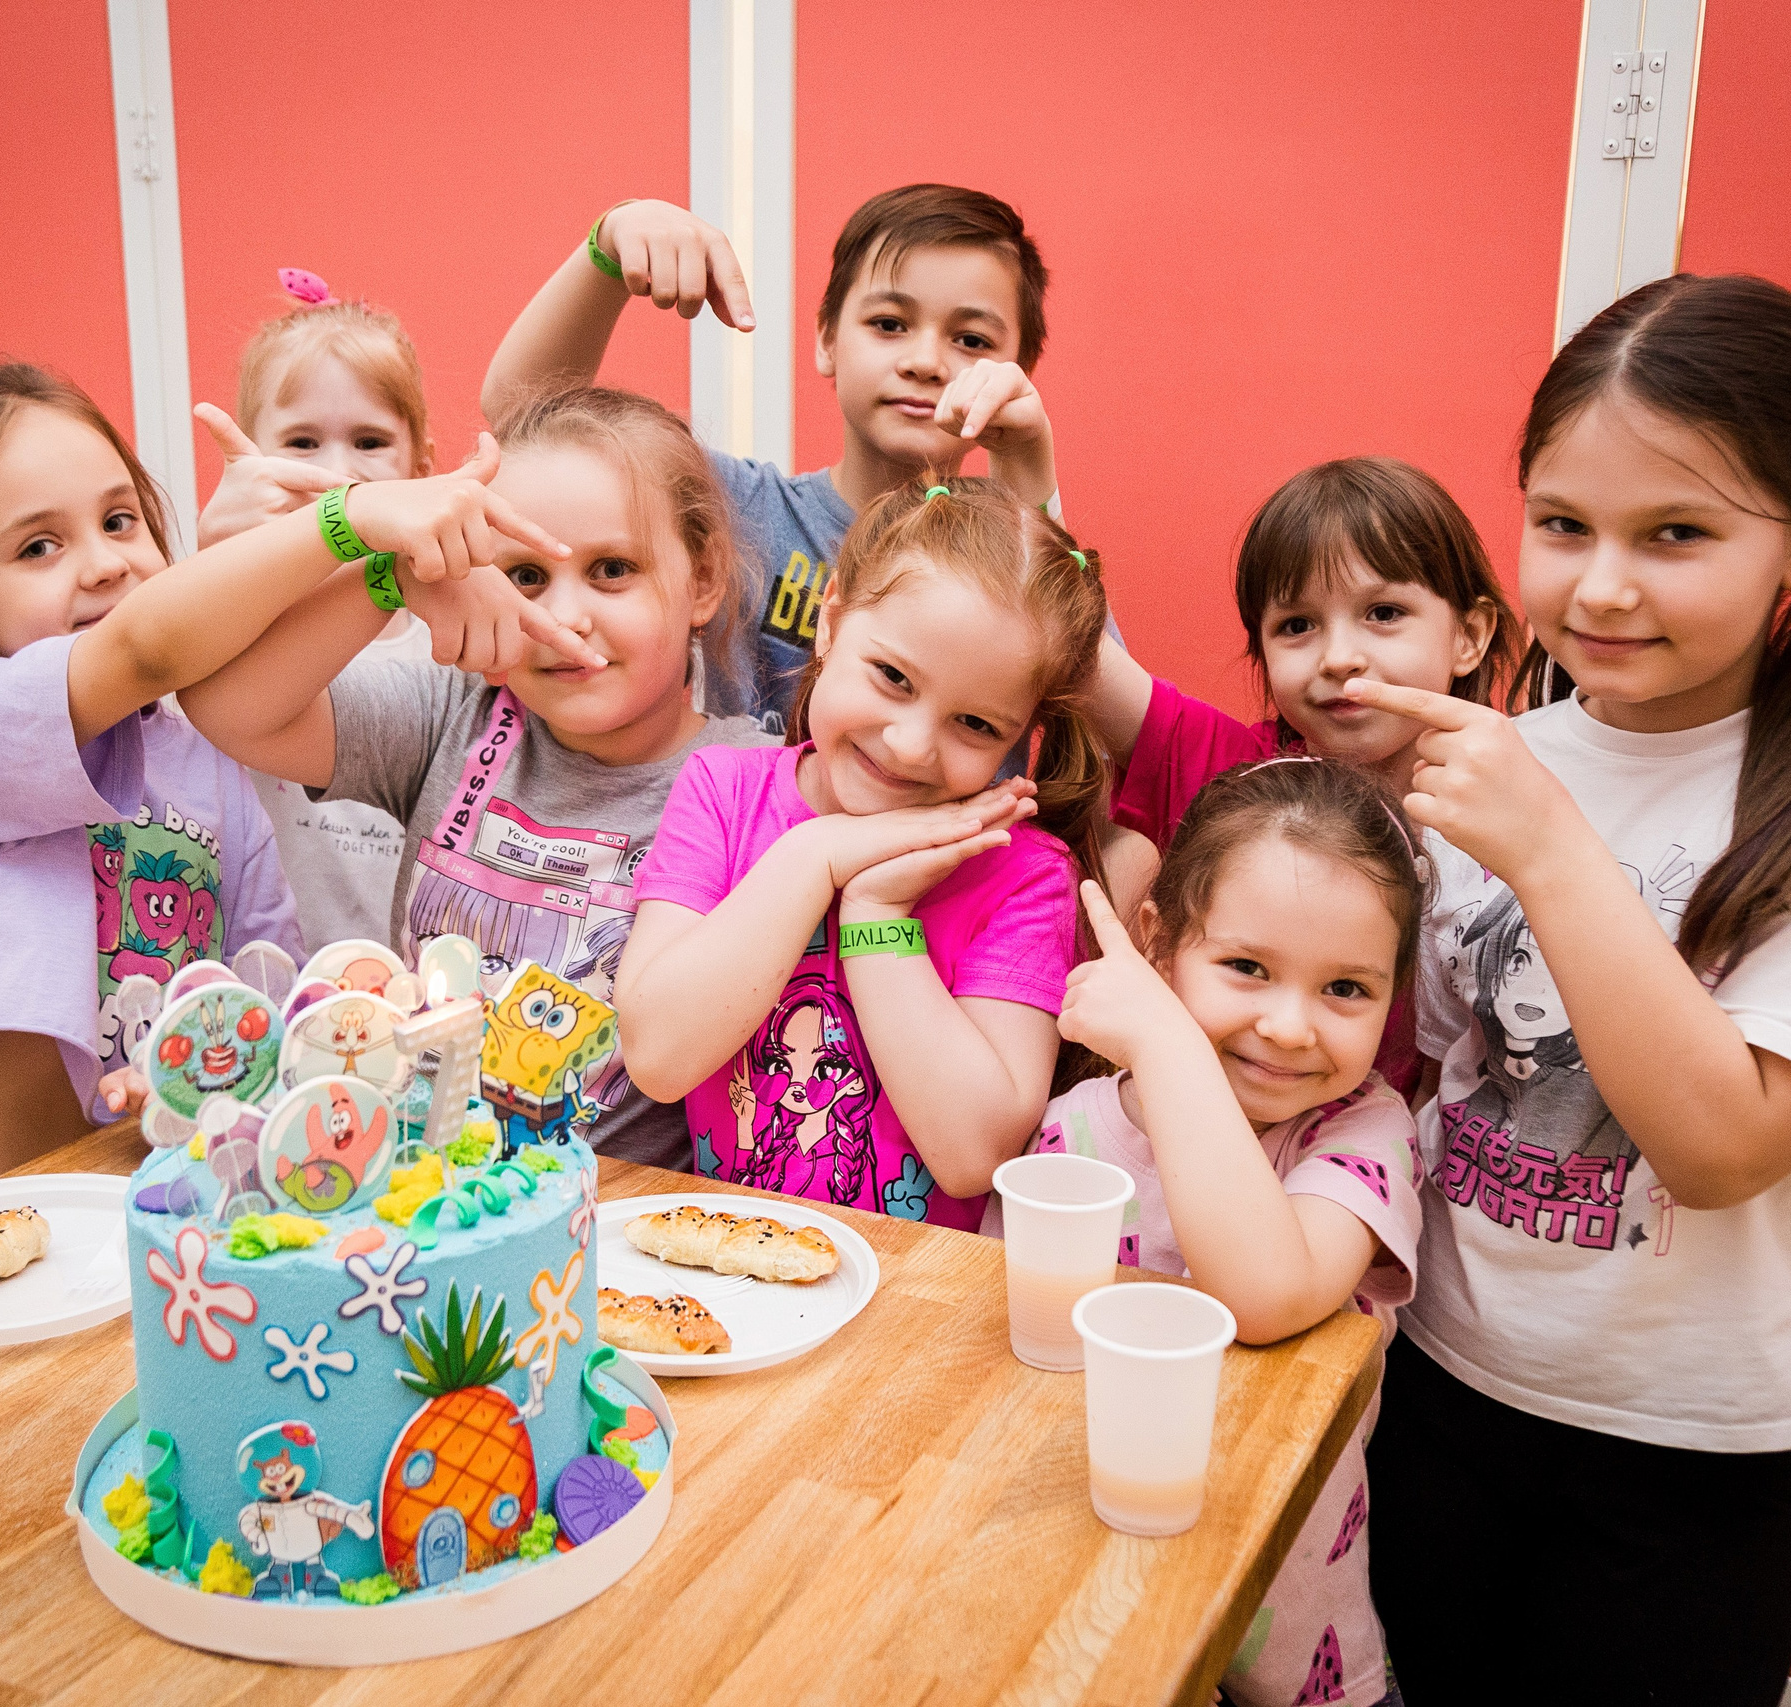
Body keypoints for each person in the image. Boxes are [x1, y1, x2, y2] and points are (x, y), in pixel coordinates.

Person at [1349, 274, 1791, 1706]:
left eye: (1678, 533)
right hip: (1444, 1380)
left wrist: (1548, 844)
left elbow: (1721, 1143)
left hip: (1692, 1444)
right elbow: (1448, 1068)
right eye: (1564, 524)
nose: (1602, 584)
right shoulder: (1507, 757)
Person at [0, 362, 580, 1196]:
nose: (104, 564)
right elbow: (145, 648)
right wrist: (354, 518)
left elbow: (264, 981)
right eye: (39, 546)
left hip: (152, 1190)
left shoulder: (206, 751)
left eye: (120, 519)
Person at [175, 387, 773, 1169]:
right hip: (415, 1200)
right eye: (524, 575)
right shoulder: (453, 711)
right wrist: (388, 574)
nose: (566, 616)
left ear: (703, 581)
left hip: (615, 1235)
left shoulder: (753, 786)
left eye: (612, 570)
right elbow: (228, 705)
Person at [1040, 759, 1430, 1707]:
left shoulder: (1364, 1132)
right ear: (1156, 943)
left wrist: (1166, 1038)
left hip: (1292, 1648)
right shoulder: (1078, 1127)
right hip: (1093, 1609)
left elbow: (1263, 1293)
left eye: (1346, 988)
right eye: (1248, 968)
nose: (1291, 1026)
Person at [618, 477, 1111, 1226]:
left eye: (975, 724)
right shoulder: (725, 790)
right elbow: (658, 1054)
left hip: (914, 1308)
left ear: (1022, 736)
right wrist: (816, 854)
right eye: (893, 677)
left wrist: (877, 912)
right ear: (832, 619)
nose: (911, 743)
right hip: (725, 1267)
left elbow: (974, 1154)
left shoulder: (1023, 872)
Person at [481, 184, 1066, 730]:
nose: (925, 361)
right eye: (889, 324)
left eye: (972, 341)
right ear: (827, 339)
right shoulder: (740, 508)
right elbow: (522, 415)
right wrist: (606, 251)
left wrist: (1029, 469)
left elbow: (1108, 711)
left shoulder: (1025, 566)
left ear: (1020, 370)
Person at [1086, 456, 1523, 1088]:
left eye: (1383, 613)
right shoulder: (1236, 771)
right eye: (1297, 626)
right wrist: (1028, 465)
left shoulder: (1520, 809)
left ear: (1470, 635)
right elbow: (1068, 642)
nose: (1340, 658)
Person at [191, 272, 447, 951]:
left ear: (423, 469)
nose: (339, 473)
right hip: (260, 1005)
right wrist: (216, 556)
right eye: (302, 443)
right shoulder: (236, 620)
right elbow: (171, 655)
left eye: (369, 442)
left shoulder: (445, 641)